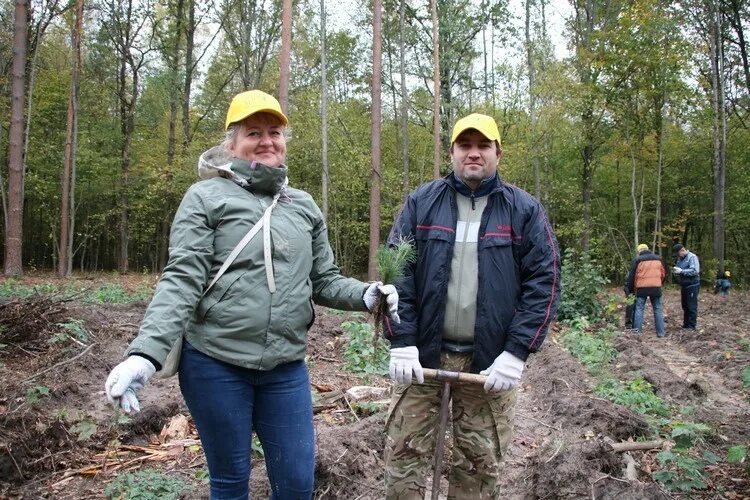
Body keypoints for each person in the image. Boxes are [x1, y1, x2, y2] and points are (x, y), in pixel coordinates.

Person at [104, 89, 399, 500]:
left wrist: (366, 293)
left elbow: (324, 279)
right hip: (215, 364)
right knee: (230, 480)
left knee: (297, 483)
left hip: (285, 367)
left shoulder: (304, 206)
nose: (266, 141)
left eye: (274, 132)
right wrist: (144, 354)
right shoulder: (206, 197)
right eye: (253, 132)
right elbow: (182, 278)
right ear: (232, 144)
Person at [383, 113, 561, 499]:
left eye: (483, 146)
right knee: (404, 456)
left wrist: (516, 352)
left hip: (488, 363)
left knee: (480, 466)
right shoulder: (421, 203)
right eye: (465, 145)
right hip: (423, 358)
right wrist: (402, 338)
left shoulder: (523, 210)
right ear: (452, 151)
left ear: (498, 152)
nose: (474, 153)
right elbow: (398, 273)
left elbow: (543, 282)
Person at [624, 243, 666, 337]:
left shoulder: (637, 260)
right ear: (648, 249)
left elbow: (632, 276)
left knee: (639, 309)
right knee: (658, 309)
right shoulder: (658, 259)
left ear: (639, 251)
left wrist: (630, 289)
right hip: (656, 287)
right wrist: (659, 283)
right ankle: (661, 333)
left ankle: (637, 332)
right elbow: (663, 274)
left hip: (641, 288)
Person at [672, 243, 700, 330]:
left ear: (682, 250)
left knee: (691, 306)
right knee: (685, 305)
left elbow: (695, 271)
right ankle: (686, 324)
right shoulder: (680, 259)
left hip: (692, 284)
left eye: (678, 253)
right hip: (684, 285)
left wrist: (682, 271)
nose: (677, 256)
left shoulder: (692, 257)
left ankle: (691, 326)